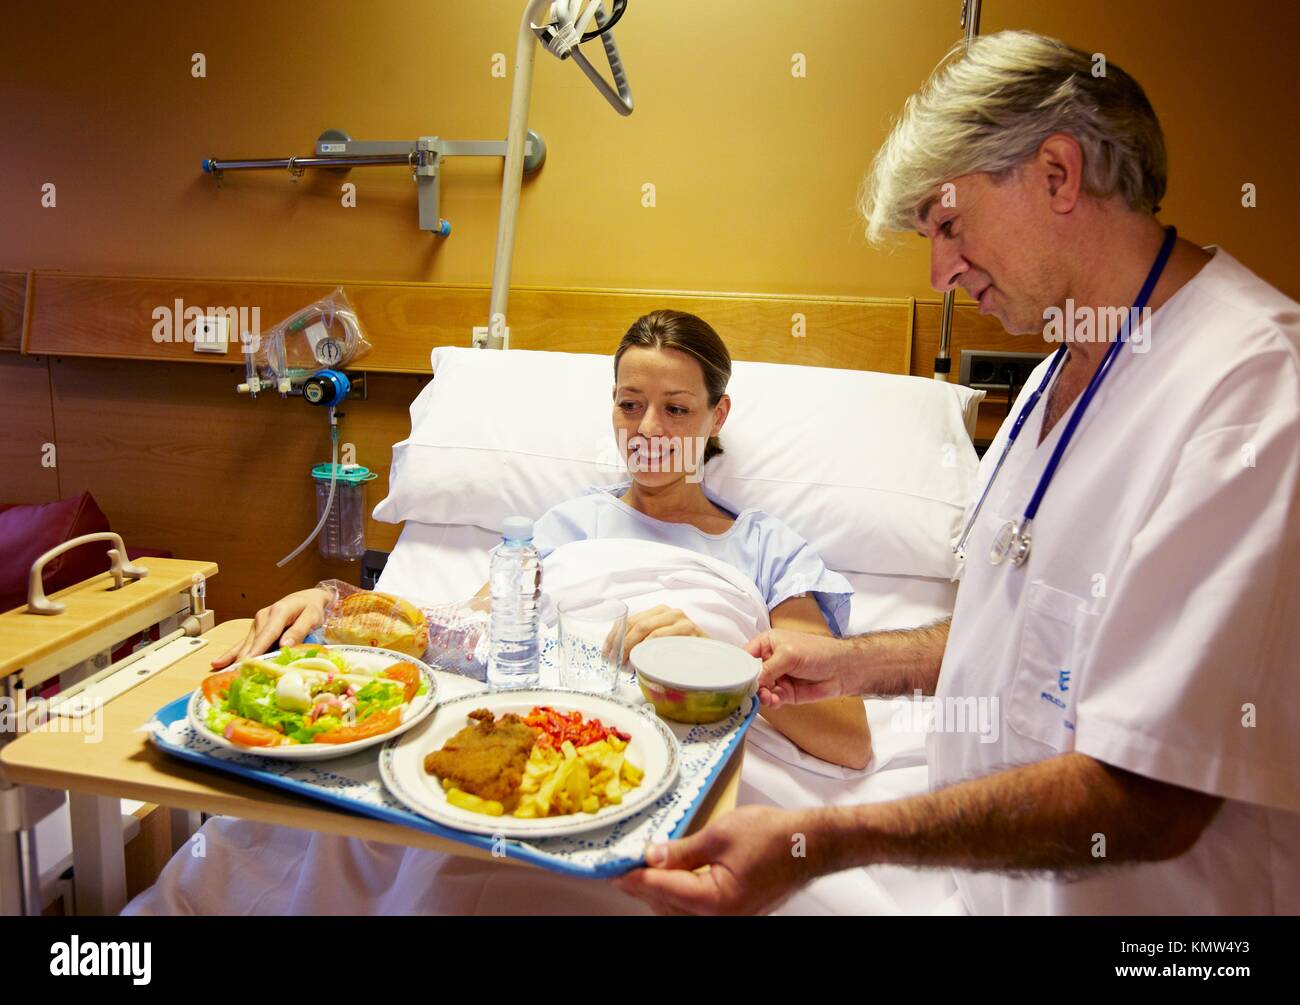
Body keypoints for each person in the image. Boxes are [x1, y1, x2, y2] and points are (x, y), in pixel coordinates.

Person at [615, 30, 1300, 916]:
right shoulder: (1055, 377)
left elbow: (1152, 798)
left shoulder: (1251, 395)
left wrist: (826, 840)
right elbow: (1020, 628)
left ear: (1058, 174)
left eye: (947, 224)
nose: (940, 271)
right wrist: (852, 664)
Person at [124, 310, 870, 915]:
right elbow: (456, 633)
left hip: (678, 756)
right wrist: (335, 603)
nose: (646, 432)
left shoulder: (768, 546)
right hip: (532, 732)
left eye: (675, 409)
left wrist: (717, 664)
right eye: (628, 405)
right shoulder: (564, 527)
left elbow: (848, 735)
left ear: (717, 415)